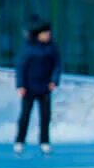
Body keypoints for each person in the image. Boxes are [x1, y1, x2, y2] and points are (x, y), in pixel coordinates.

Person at [13, 15, 61, 156]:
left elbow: (57, 65)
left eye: (49, 33)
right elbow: (21, 67)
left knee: (45, 116)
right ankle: (20, 141)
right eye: (45, 33)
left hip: (45, 87)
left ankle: (45, 142)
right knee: (25, 116)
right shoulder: (28, 48)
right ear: (38, 34)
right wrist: (20, 85)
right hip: (29, 87)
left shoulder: (51, 48)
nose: (48, 35)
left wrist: (54, 80)